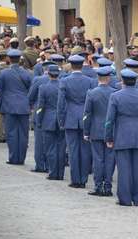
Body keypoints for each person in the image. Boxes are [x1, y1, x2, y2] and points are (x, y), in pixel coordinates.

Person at [105, 68, 138, 206]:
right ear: (135, 81)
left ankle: (125, 198)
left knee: (124, 169)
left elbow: (110, 120)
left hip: (122, 136)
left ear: (123, 81)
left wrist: (108, 138)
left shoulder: (115, 96)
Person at [57, 54, 93, 188]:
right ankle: (83, 179)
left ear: (71, 65)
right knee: (85, 150)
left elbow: (61, 103)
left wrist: (61, 120)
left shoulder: (65, 81)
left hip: (70, 117)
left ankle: (75, 179)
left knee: (72, 150)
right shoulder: (89, 81)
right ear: (82, 65)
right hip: (85, 117)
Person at [83, 66, 116, 197]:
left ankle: (98, 186)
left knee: (98, 160)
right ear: (108, 78)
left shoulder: (91, 93)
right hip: (111, 130)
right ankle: (107, 186)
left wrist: (86, 131)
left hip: (95, 130)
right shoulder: (115, 92)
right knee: (110, 159)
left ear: (98, 78)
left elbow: (87, 114)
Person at [0, 49, 32, 165]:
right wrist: (29, 104)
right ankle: (21, 158)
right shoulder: (27, 73)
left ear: (9, 59)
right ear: (20, 59)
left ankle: (13, 157)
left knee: (11, 133)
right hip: (23, 106)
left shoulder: (4, 73)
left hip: (9, 106)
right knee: (23, 134)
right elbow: (31, 91)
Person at [36, 65, 66, 180]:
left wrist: (39, 121)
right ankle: (60, 173)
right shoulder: (63, 86)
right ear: (58, 74)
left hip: (48, 120)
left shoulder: (43, 88)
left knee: (50, 148)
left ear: (48, 74)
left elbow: (40, 107)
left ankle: (53, 172)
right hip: (61, 120)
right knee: (61, 148)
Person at [29, 60, 56, 172]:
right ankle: (50, 165)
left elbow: (31, 96)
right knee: (51, 142)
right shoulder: (59, 81)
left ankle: (40, 165)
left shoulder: (37, 80)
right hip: (53, 115)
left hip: (39, 112)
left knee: (39, 141)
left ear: (43, 69)